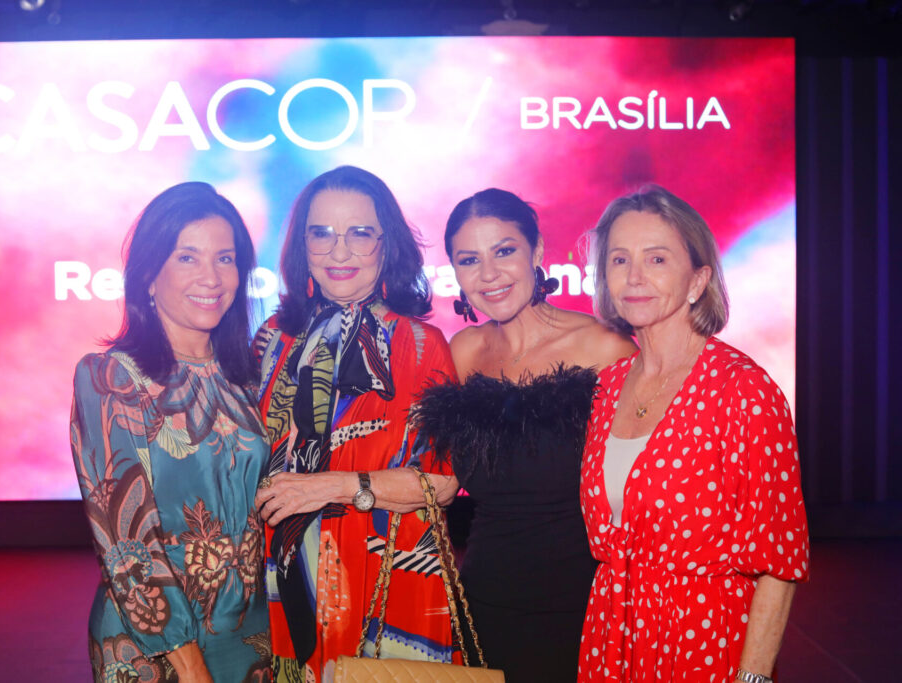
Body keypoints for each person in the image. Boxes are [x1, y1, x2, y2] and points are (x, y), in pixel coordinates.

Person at [578, 185, 810, 682]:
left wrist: (753, 678)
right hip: (614, 637)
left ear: (697, 280)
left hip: (703, 640)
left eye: (656, 259)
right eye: (619, 260)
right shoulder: (607, 387)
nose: (634, 276)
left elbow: (779, 561)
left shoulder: (743, 390)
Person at [410, 188, 636, 682]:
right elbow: (438, 480)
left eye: (504, 250)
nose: (489, 274)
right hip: (483, 607)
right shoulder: (462, 352)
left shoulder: (605, 348)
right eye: (470, 260)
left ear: (536, 251)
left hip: (583, 609)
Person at [252, 165, 460, 683]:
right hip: (283, 581)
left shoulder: (421, 346)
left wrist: (332, 487)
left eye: (360, 233)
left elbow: (442, 483)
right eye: (321, 233)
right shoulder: (272, 340)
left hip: (385, 584)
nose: (339, 252)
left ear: (386, 246)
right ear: (302, 246)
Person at [70, 182, 272, 683]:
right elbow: (125, 541)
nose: (212, 277)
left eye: (225, 259)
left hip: (251, 633)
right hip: (156, 642)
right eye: (187, 257)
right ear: (147, 277)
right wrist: (189, 665)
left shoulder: (251, 376)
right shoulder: (111, 378)